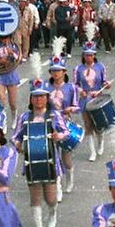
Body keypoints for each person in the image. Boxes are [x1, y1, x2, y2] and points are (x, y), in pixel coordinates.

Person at [11, 77, 69, 227]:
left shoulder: (54, 115)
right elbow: (15, 136)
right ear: (31, 98)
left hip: (51, 162)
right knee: (35, 198)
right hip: (31, 164)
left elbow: (66, 132)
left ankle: (53, 212)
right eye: (35, 96)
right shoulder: (24, 117)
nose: (39, 99)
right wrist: (18, 145)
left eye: (42, 96)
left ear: (47, 98)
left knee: (51, 199)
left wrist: (59, 136)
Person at [47, 50, 80, 199]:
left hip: (65, 123)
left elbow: (77, 106)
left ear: (64, 71)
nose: (55, 73)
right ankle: (58, 186)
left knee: (66, 157)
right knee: (53, 156)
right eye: (53, 71)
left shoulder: (71, 87)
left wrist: (69, 109)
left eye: (58, 70)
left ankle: (69, 178)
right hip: (49, 123)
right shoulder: (46, 88)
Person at [74, 41, 111, 162]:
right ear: (83, 55)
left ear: (94, 55)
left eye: (91, 55)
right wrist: (81, 91)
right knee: (88, 125)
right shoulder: (78, 69)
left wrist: (107, 84)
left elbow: (104, 81)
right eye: (86, 55)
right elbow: (75, 84)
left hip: (98, 99)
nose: (89, 57)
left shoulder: (101, 67)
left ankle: (100, 142)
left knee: (99, 126)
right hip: (85, 99)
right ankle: (92, 151)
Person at [0, 34, 22, 126]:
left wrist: (12, 53)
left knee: (13, 103)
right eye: (1, 38)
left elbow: (19, 58)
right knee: (1, 98)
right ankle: (3, 120)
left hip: (11, 75)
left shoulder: (14, 45)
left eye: (6, 38)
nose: (3, 40)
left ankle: (14, 117)